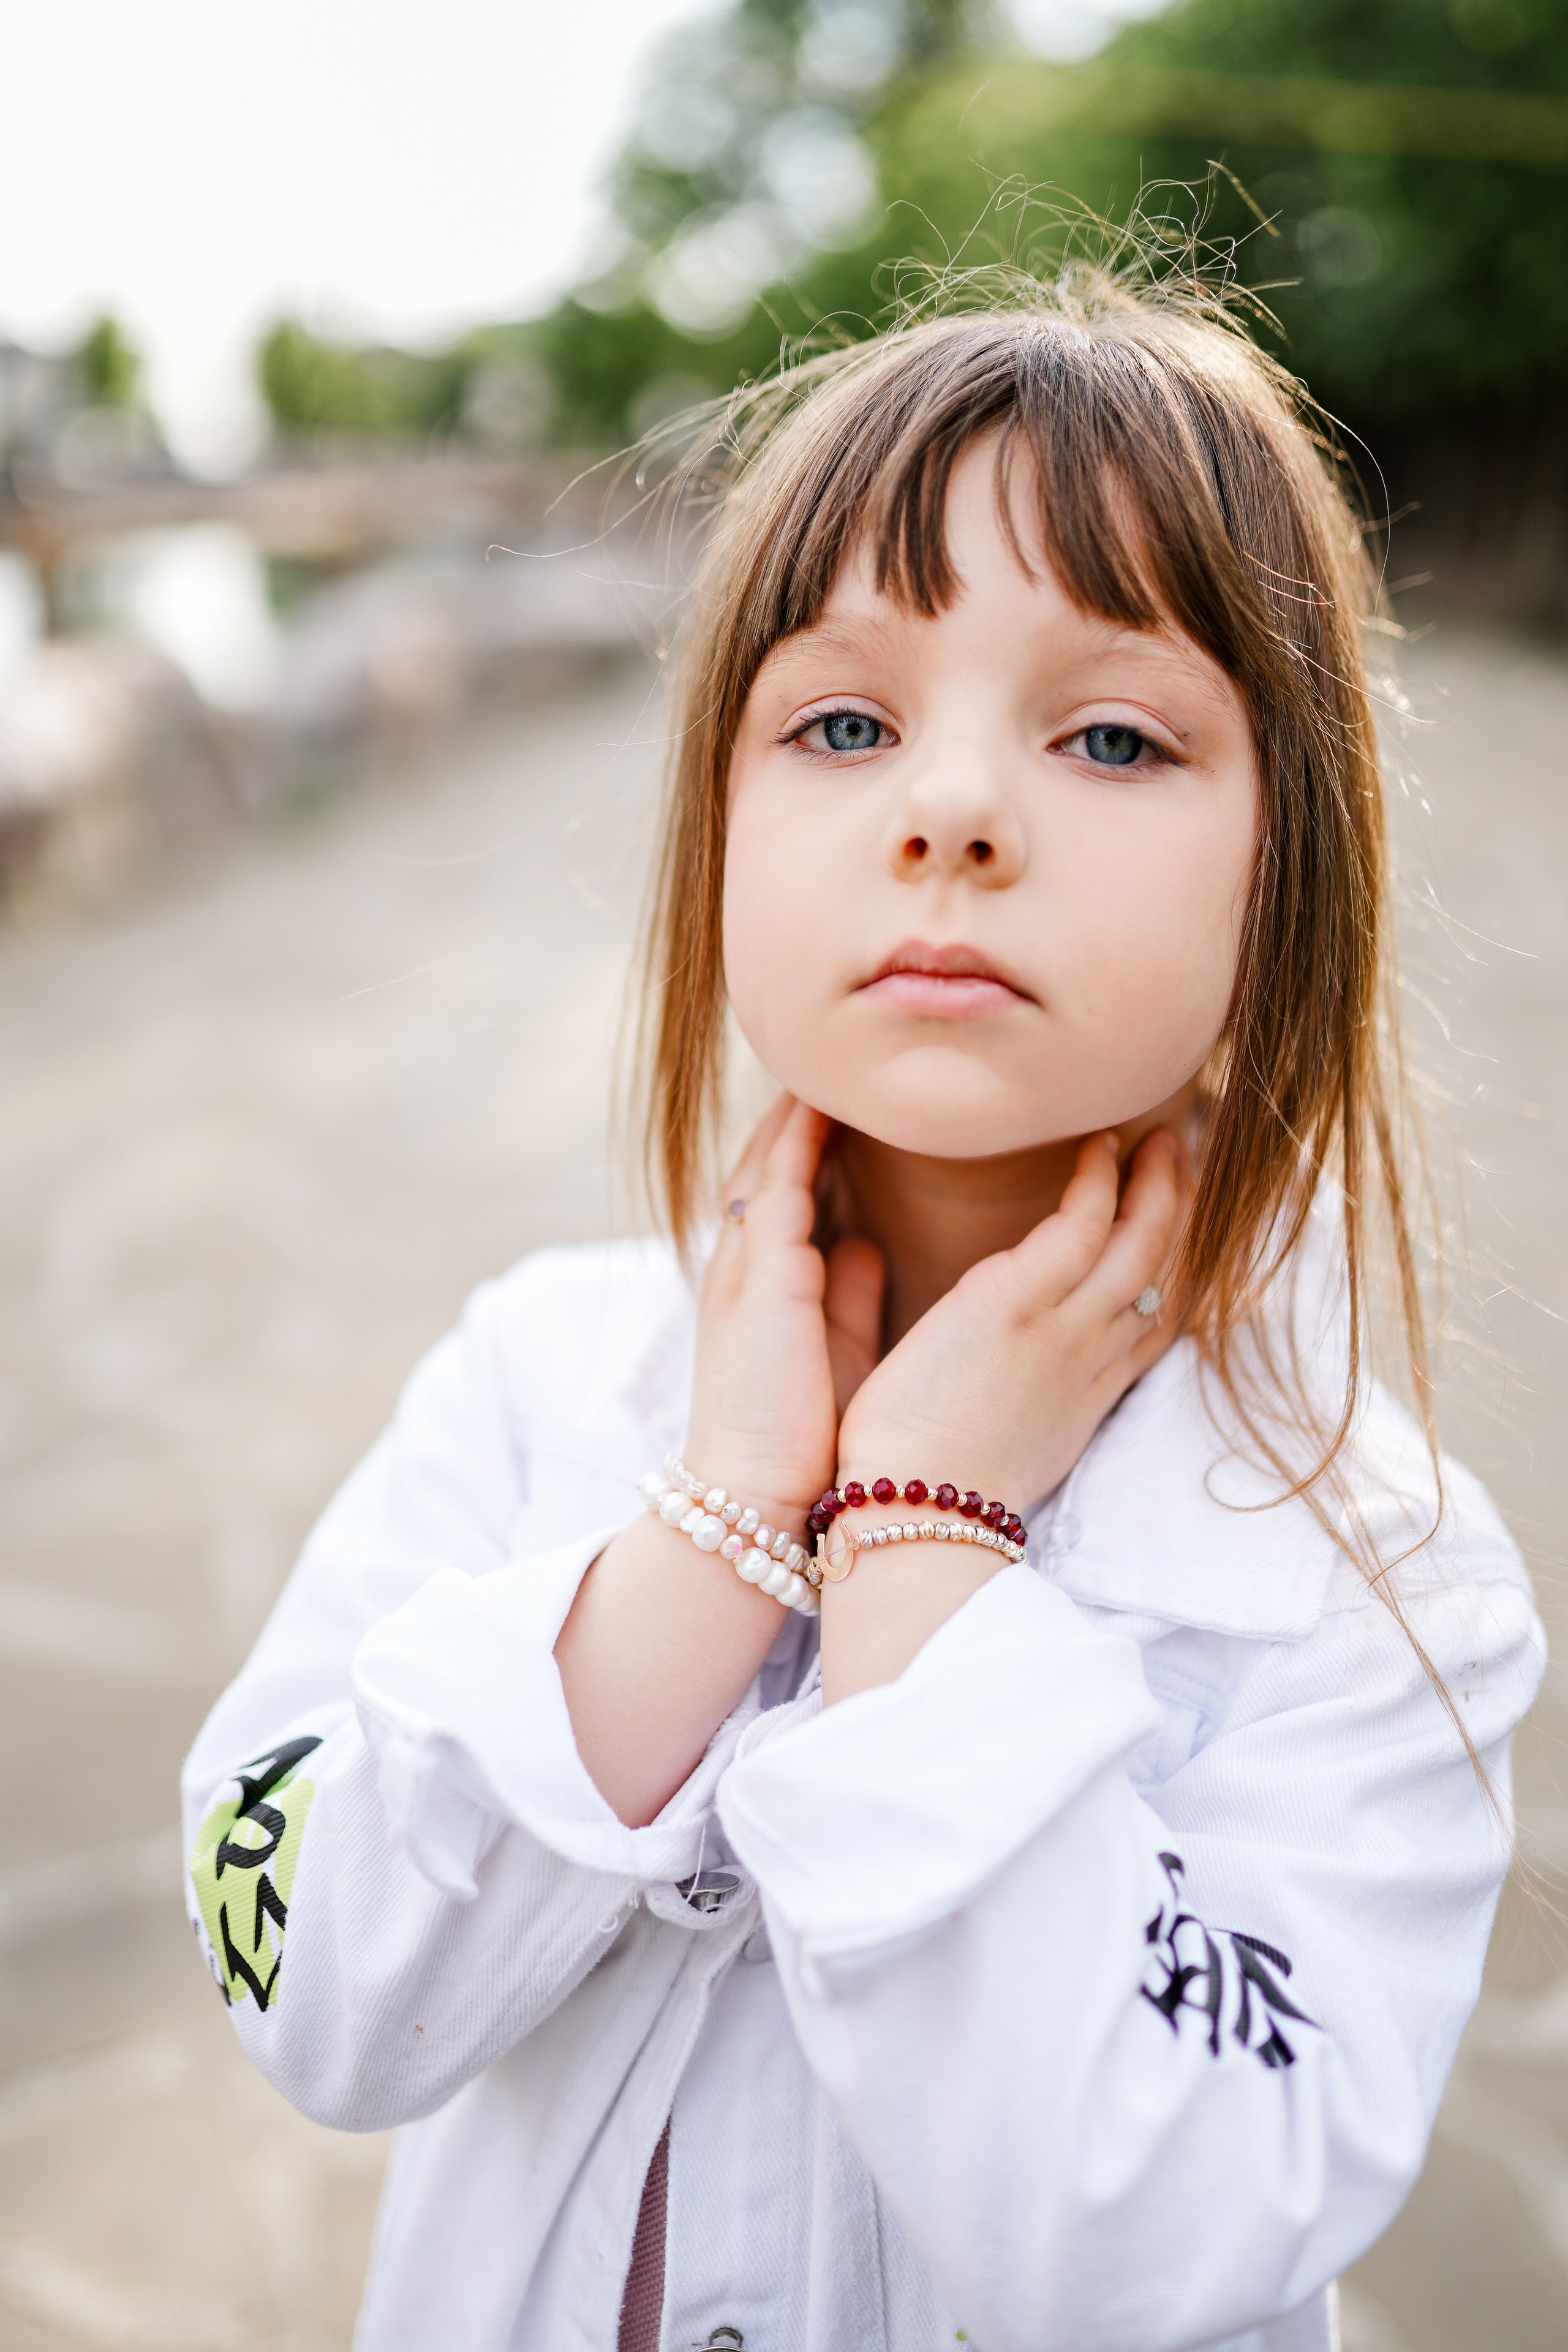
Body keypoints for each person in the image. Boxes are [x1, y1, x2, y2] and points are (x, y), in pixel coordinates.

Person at [182, 266, 1544, 2352]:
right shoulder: (535, 1381)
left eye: (1113, 735)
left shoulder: (1385, 1580)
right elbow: (297, 1974)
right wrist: (721, 1523)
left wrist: (922, 1543)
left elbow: (1160, 2237)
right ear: (719, 825)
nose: (953, 810)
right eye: (842, 723)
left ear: (1293, 866)